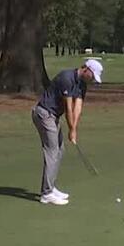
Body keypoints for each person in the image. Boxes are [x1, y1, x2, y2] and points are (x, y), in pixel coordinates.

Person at [31, 58, 104, 206]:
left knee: (60, 150)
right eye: (93, 76)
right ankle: (46, 193)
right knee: (52, 151)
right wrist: (71, 130)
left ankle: (51, 187)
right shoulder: (67, 78)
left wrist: (74, 129)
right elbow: (69, 107)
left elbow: (78, 107)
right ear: (86, 70)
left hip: (53, 116)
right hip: (43, 114)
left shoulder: (82, 85)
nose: (93, 80)